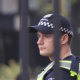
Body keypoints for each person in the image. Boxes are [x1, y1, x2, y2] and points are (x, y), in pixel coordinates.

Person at [29, 14, 80, 80]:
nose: (39, 42)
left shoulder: (60, 74)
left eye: (46, 36)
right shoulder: (74, 66)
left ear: (64, 39)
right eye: (39, 36)